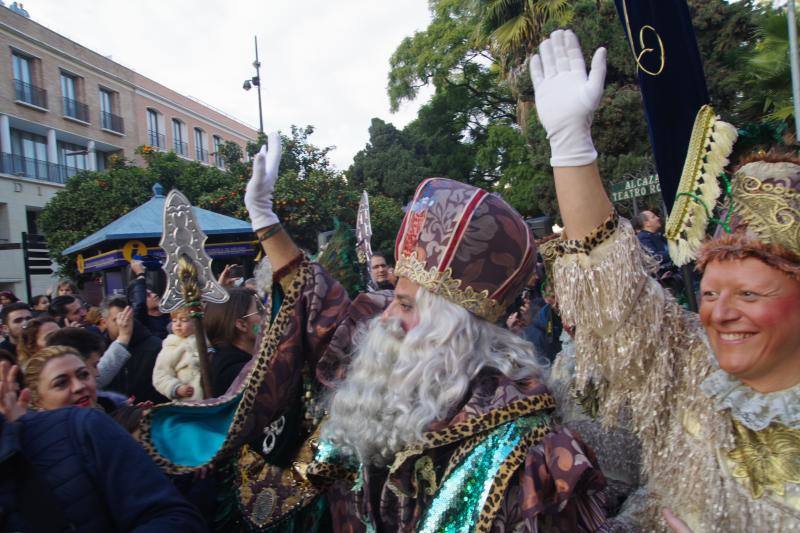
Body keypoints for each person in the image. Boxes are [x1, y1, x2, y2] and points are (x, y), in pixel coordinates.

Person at [138, 133, 607, 531]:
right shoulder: (405, 367)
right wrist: (264, 219)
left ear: (453, 329)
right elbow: (323, 313)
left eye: (402, 304)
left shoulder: (529, 451)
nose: (382, 317)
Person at [530, 29, 800, 530]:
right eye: (713, 291)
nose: (720, 311)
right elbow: (614, 301)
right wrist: (571, 148)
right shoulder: (693, 370)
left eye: (750, 293)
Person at [0, 363, 207, 532]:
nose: (80, 386)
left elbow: (172, 516)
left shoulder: (86, 427)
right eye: (61, 383)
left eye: (84, 374)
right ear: (38, 401)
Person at [103, 296, 166, 404]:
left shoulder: (155, 347)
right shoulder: (99, 348)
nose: (123, 323)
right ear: (104, 322)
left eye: (127, 318)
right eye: (117, 319)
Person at [205, 287, 262, 397]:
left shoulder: (222, 358)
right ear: (242, 325)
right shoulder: (236, 372)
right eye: (260, 310)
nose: (268, 315)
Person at [152, 307, 203, 400]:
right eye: (174, 321)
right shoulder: (170, 348)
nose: (178, 324)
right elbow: (160, 376)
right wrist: (176, 388)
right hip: (187, 402)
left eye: (184, 320)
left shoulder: (204, 342)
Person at [128, 259, 171, 340]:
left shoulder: (170, 315)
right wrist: (140, 275)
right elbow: (140, 304)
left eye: (152, 292)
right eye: (148, 295)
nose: (154, 295)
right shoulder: (143, 322)